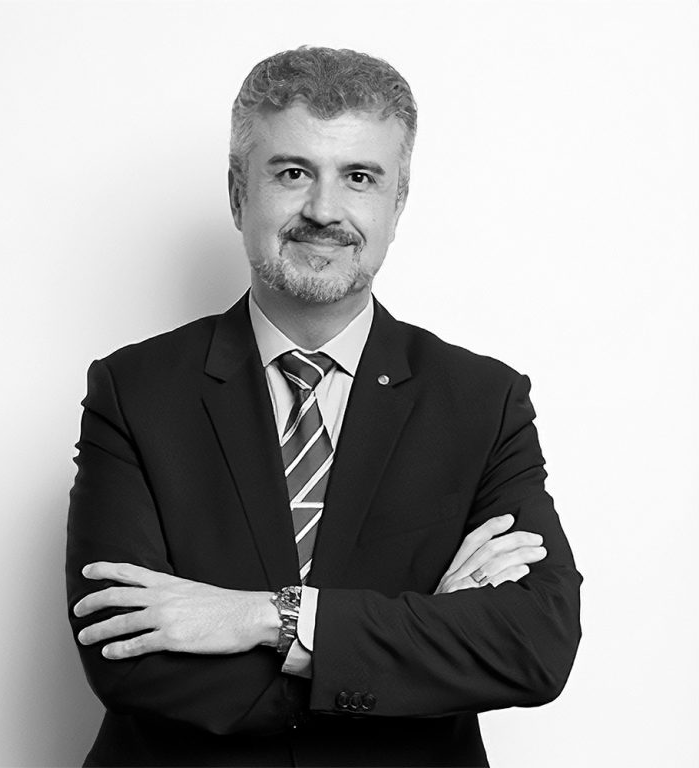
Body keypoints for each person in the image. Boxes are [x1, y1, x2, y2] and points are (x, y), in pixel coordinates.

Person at [66, 46, 582, 767]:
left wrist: (266, 618)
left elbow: (534, 646)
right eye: (292, 173)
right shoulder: (135, 390)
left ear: (397, 204)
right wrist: (420, 638)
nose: (324, 211)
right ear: (238, 194)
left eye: (359, 177)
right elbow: (125, 654)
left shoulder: (482, 402)